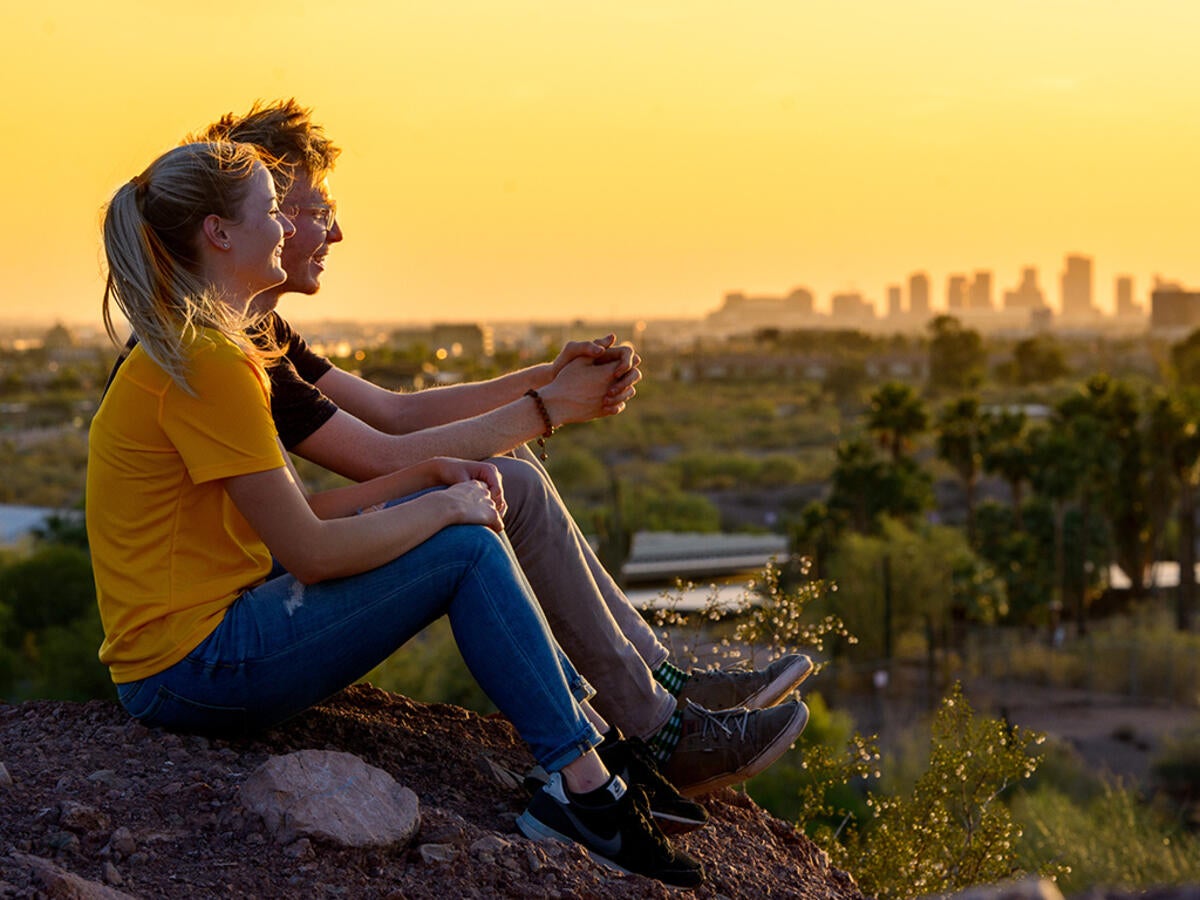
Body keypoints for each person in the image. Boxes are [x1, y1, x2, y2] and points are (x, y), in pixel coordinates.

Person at [106, 99, 814, 804]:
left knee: (504, 479)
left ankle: (657, 695)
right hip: (202, 645)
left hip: (229, 603)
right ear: (226, 227)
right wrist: (543, 413)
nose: (325, 230)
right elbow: (379, 460)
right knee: (479, 517)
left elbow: (392, 413)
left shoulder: (247, 337)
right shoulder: (206, 357)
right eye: (302, 210)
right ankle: (646, 731)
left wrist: (544, 381)